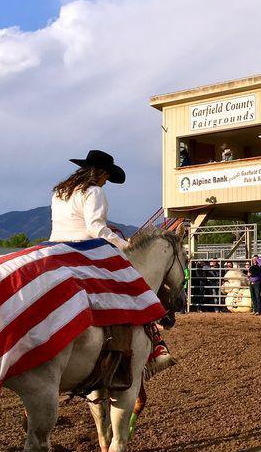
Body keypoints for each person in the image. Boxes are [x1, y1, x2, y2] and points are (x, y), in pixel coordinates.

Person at [49, 150, 172, 365]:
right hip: (85, 250)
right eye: (107, 177)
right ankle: (155, 342)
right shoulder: (93, 191)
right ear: (102, 173)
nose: (106, 182)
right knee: (133, 284)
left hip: (55, 248)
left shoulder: (60, 191)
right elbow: (95, 227)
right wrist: (125, 245)